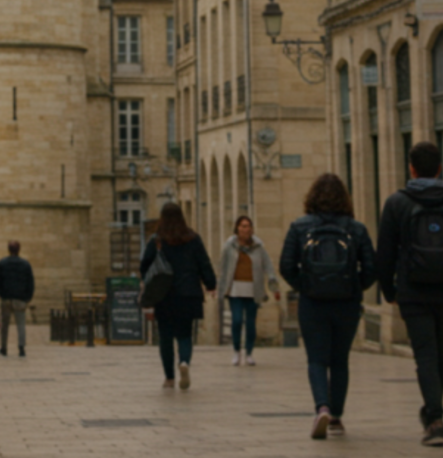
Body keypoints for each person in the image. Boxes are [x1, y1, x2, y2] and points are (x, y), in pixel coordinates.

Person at [376, 141, 443, 448]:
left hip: (414, 290)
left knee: (425, 353)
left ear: (411, 168)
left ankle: (435, 419)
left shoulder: (397, 203)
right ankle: (433, 413)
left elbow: (385, 252)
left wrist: (389, 289)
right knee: (439, 351)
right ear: (439, 168)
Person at [279, 174, 377, 440]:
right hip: (346, 303)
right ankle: (336, 417)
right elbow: (371, 268)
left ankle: (321, 406)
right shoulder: (356, 229)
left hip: (313, 303)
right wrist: (354, 288)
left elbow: (286, 266)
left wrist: (306, 286)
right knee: (340, 360)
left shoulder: (299, 227)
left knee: (317, 359)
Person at [141, 203, 216, 390]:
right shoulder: (193, 238)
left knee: (165, 336)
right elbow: (204, 263)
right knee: (185, 334)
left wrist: (149, 285)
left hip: (164, 295)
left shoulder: (157, 240)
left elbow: (144, 266)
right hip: (189, 293)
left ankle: (169, 378)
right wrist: (210, 284)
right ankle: (184, 362)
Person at [217, 216, 280, 367]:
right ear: (237, 228)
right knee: (237, 320)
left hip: (253, 289)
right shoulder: (229, 246)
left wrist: (273, 284)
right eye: (243, 226)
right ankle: (237, 351)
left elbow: (268, 266)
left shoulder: (259, 247)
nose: (246, 229)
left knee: (251, 323)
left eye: (248, 226)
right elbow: (223, 268)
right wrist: (219, 288)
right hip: (235, 290)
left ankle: (249, 353)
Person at [0, 242, 35, 357]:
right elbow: (30, 282)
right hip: (20, 299)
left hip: (6, 298)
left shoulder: (2, 263)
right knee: (21, 325)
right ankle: (21, 347)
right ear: (19, 250)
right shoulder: (25, 265)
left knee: (5, 325)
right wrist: (27, 297)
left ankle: (4, 347)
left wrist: (2, 294)